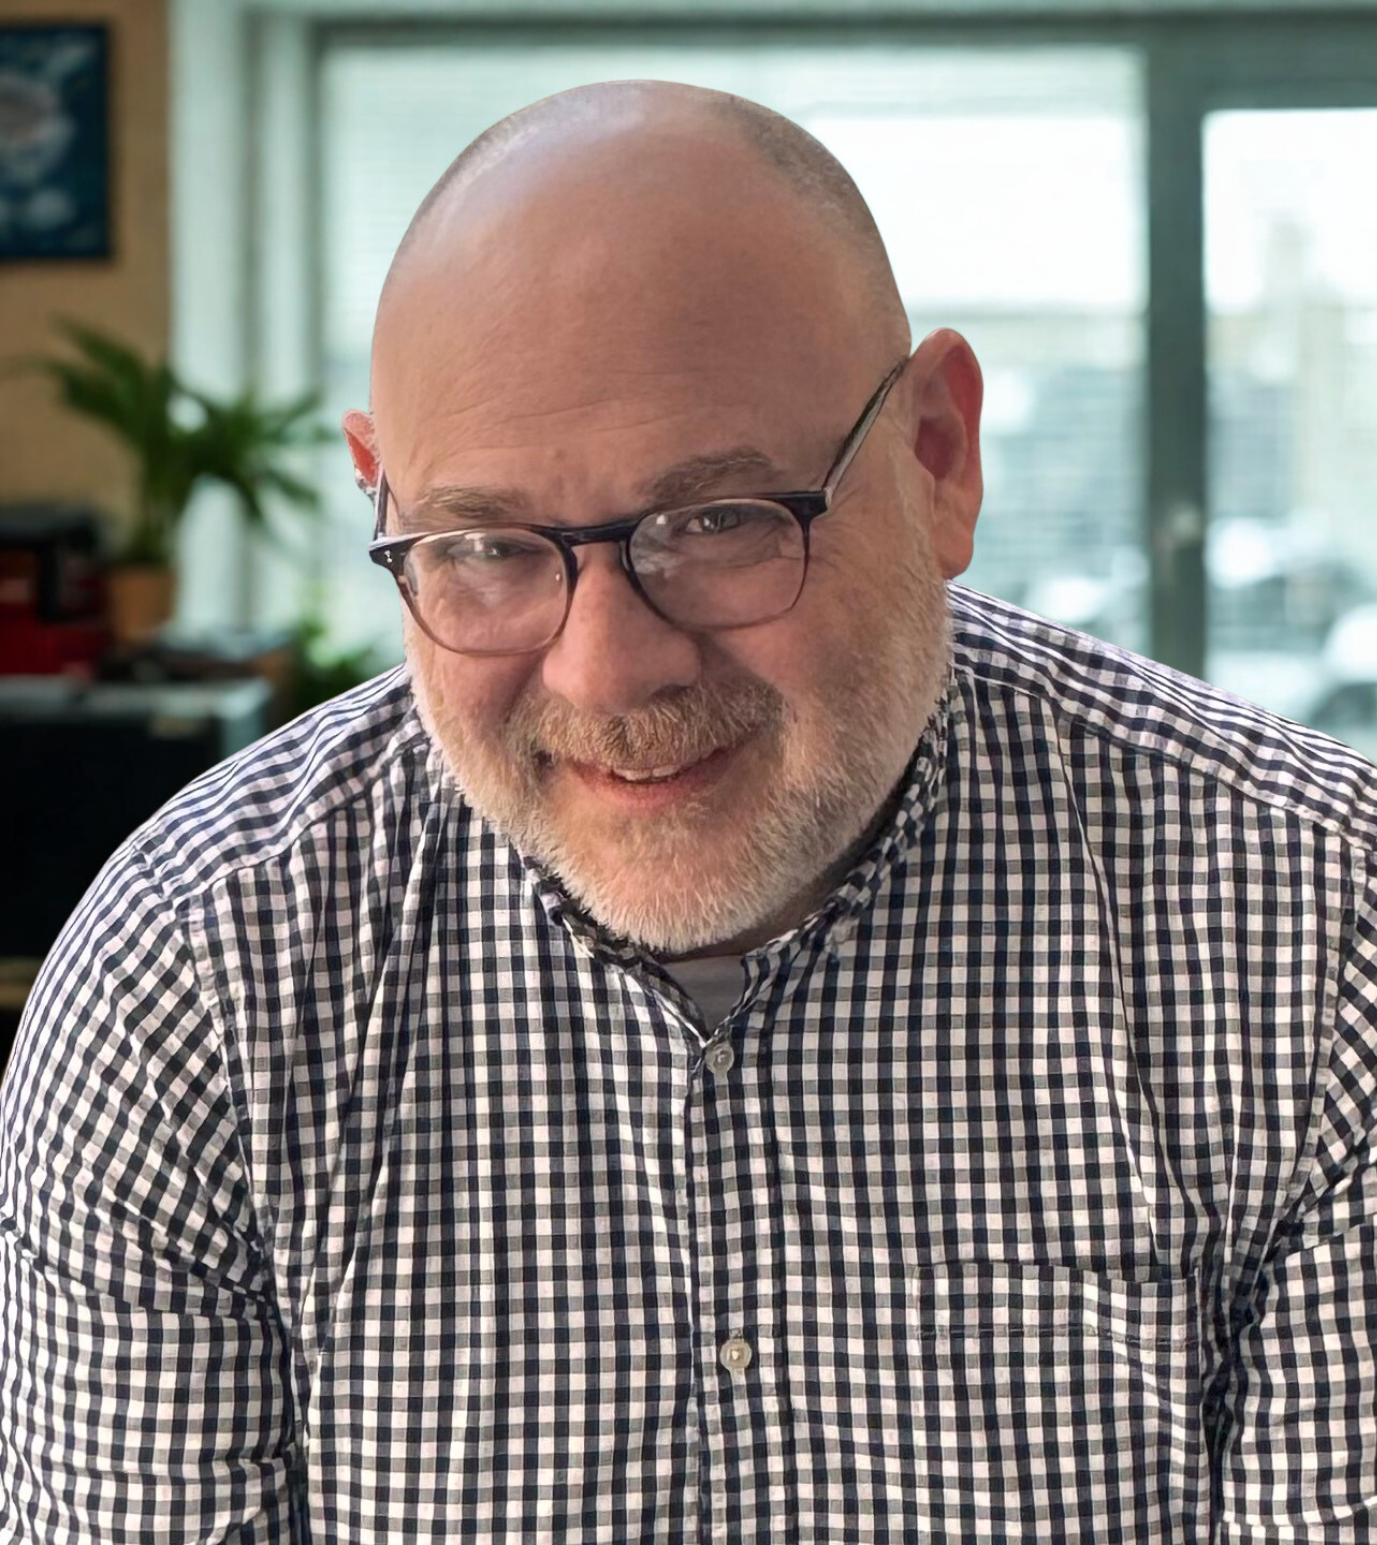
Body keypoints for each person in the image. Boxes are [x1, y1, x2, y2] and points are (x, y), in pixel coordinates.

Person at [2, 78, 1375, 1545]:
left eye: (716, 523)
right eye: (482, 546)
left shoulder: (1310, 935)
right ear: (382, 498)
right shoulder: (192, 988)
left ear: (936, 460)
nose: (603, 671)